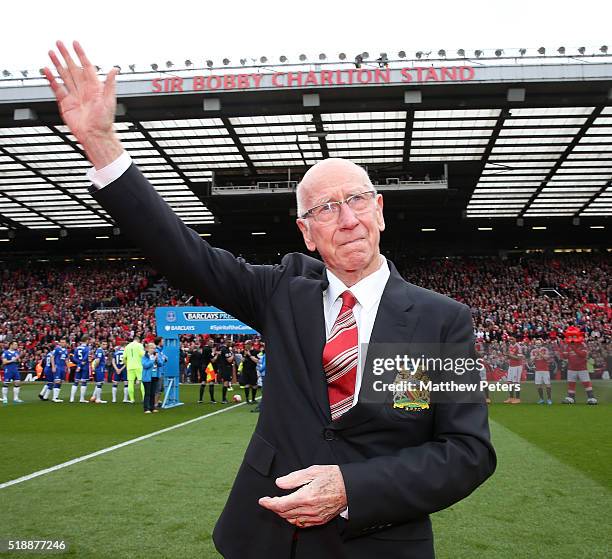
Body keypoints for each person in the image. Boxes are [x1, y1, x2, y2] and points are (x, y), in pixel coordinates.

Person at [44, 41, 496, 559]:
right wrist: (102, 145)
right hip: (264, 541)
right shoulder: (282, 291)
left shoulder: (441, 320)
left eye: (356, 200)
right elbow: (182, 252)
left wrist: (354, 487)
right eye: (326, 209)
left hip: (379, 543)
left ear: (380, 210)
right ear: (306, 233)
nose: (347, 219)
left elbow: (466, 452)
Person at [123, 334, 145, 403]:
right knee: (142, 381)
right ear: (138, 340)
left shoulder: (127, 346)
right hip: (139, 366)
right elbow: (143, 354)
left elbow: (124, 358)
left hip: (130, 366)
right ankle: (144, 398)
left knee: (130, 382)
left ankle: (132, 399)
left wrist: (127, 365)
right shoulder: (139, 345)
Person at [70, 334, 91, 403]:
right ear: (87, 340)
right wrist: (81, 364)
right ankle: (81, 398)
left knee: (76, 382)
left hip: (78, 366)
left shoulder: (77, 348)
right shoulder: (87, 348)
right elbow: (85, 358)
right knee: (84, 382)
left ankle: (72, 398)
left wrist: (78, 365)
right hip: (84, 367)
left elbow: (74, 358)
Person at [141, 342, 160, 414]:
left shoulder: (155, 356)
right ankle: (146, 408)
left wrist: (158, 359)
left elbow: (160, 364)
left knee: (153, 393)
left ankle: (152, 407)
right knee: (147, 393)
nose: (153, 350)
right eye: (152, 348)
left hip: (154, 376)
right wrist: (153, 360)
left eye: (154, 348)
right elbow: (145, 365)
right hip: (147, 377)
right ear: (148, 349)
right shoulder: (145, 357)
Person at [154, 336, 168, 409]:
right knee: (158, 389)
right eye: (162, 341)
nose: (164, 342)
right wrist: (163, 359)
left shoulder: (160, 350)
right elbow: (158, 362)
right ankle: (155, 404)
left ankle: (157, 401)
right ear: (159, 342)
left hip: (161, 371)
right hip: (157, 372)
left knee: (161, 388)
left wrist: (164, 359)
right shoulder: (156, 351)